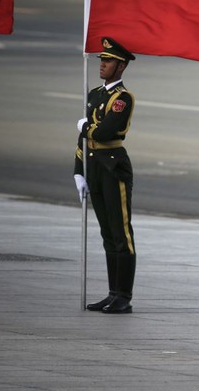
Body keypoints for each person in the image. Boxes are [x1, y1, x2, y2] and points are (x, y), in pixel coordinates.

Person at [74, 37, 137, 314]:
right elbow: (85, 138)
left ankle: (124, 295)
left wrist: (86, 128)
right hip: (94, 165)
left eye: (108, 61)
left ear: (121, 66)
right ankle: (112, 293)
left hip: (113, 166)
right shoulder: (96, 94)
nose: (102, 65)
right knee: (106, 233)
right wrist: (78, 171)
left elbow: (104, 132)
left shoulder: (122, 98)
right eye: (101, 60)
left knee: (120, 232)